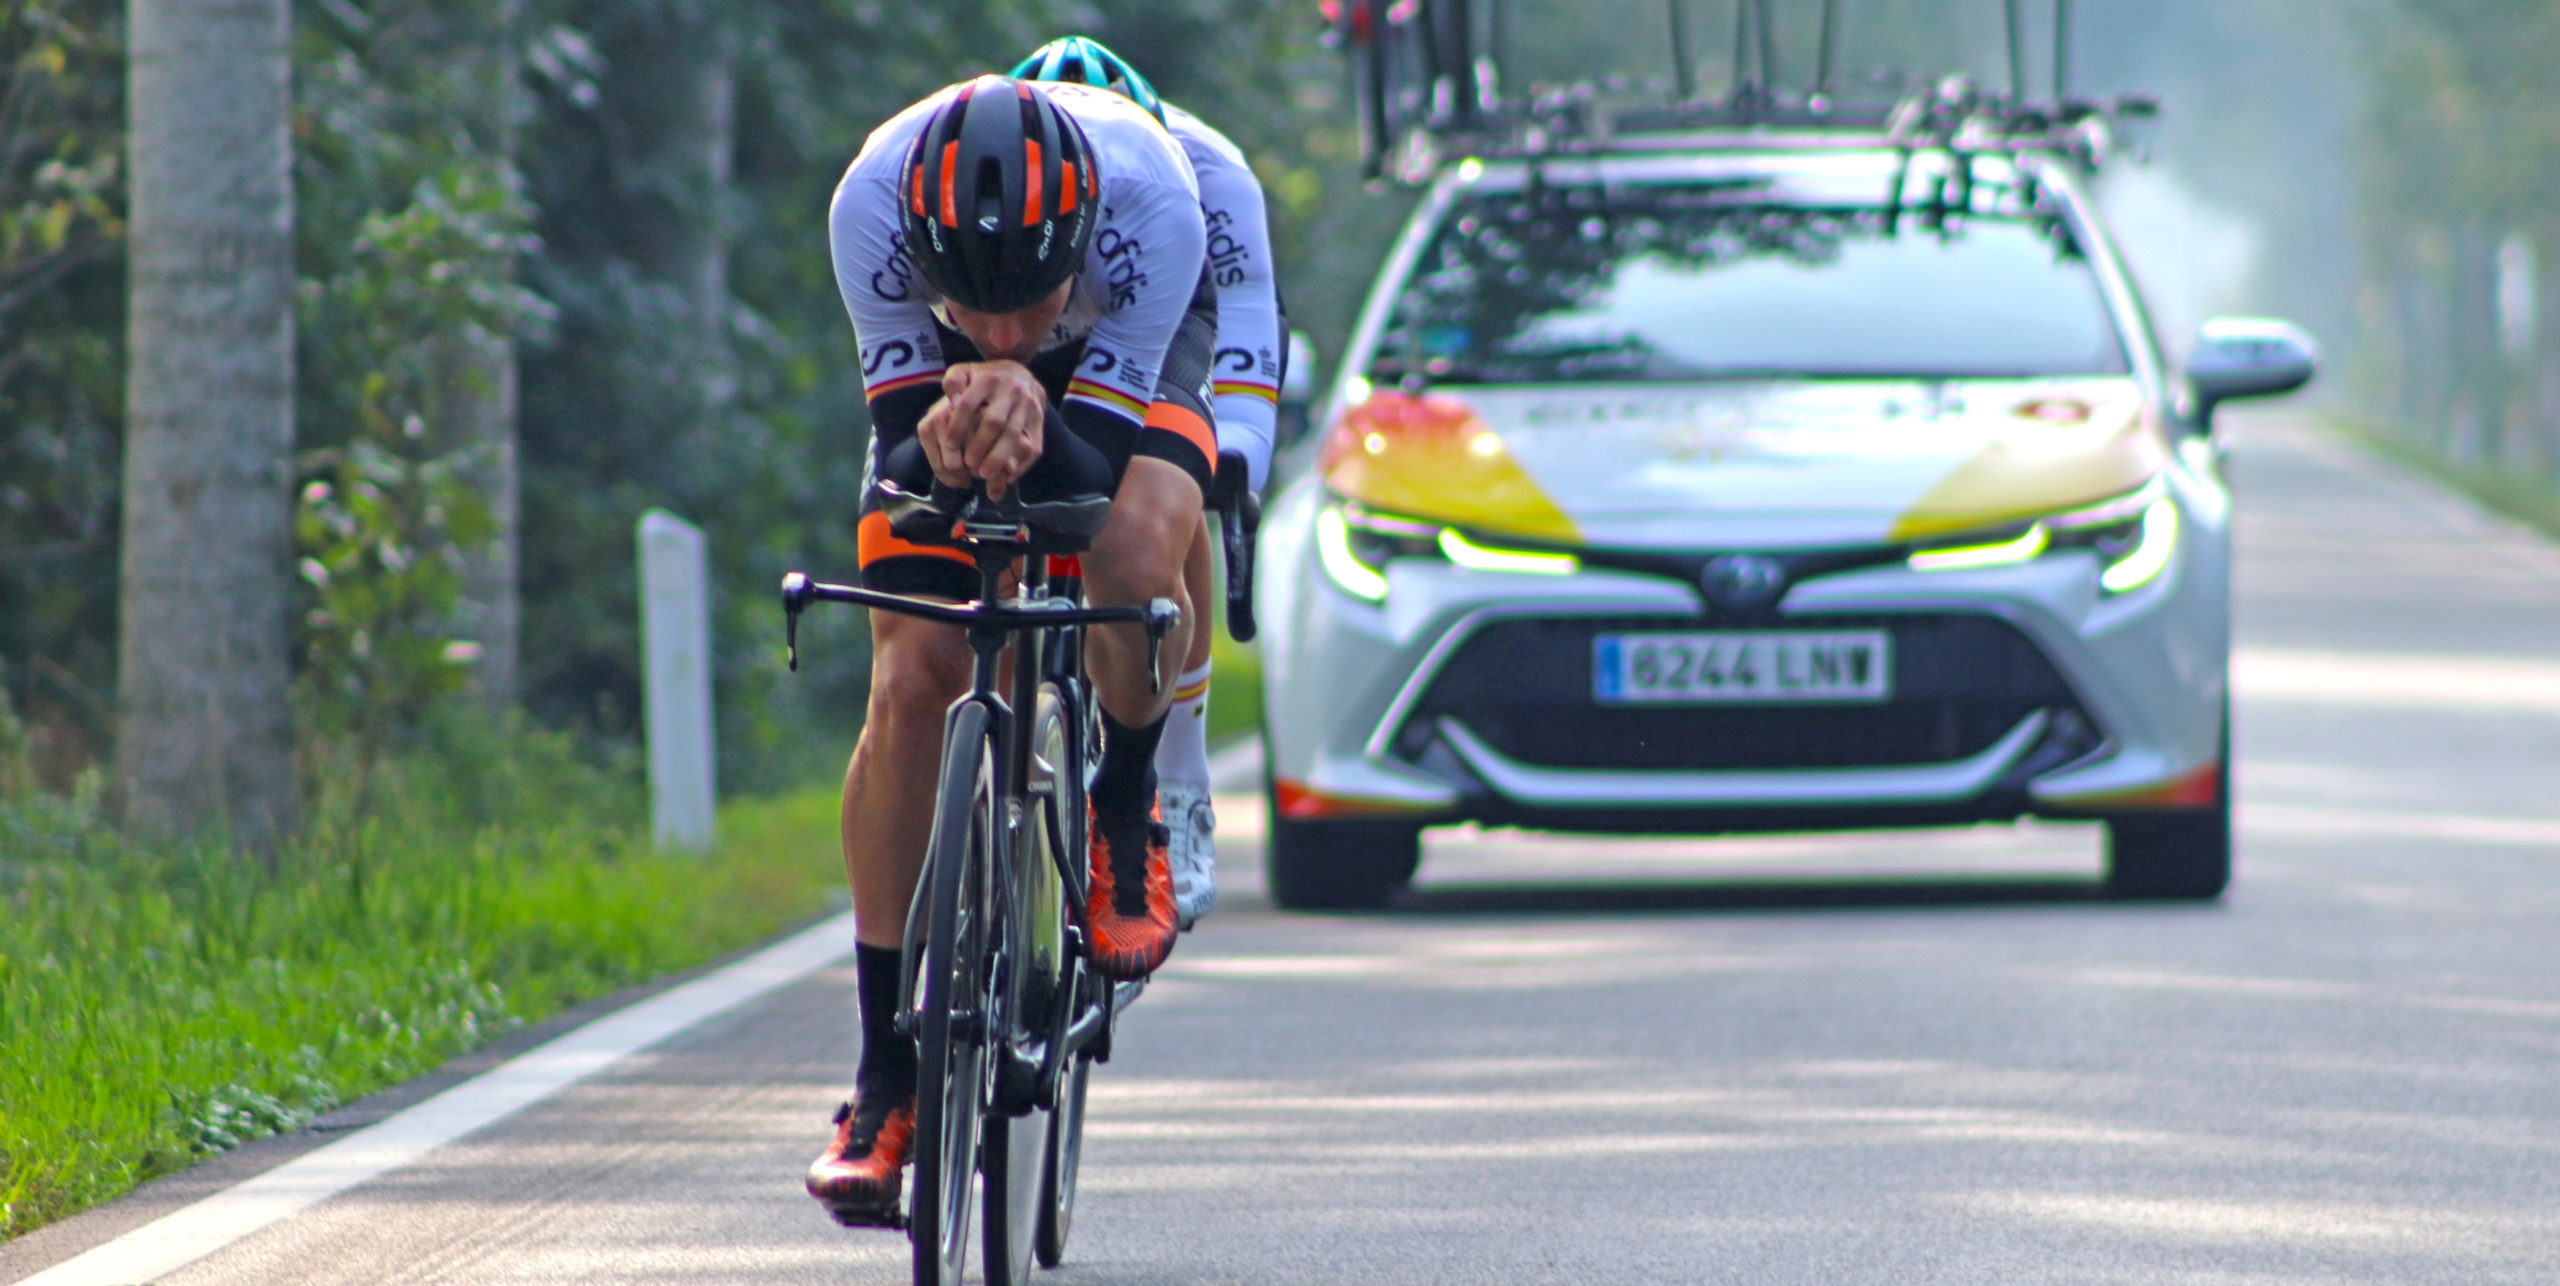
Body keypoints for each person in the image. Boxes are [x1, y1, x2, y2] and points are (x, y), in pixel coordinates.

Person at [804, 74, 1214, 1227]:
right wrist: (954, 421)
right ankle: (884, 1076)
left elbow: (1089, 463)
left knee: (1131, 553)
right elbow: (900, 448)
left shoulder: (1154, 211)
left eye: (1026, 304)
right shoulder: (870, 207)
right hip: (941, 391)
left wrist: (1037, 394)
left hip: (1135, 353)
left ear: (1076, 242)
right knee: (913, 673)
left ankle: (1121, 808)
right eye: (972, 311)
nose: (1001, 334)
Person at [1014, 37, 1286, 930]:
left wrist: (1238, 449)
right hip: (1032, 289)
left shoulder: (1209, 170)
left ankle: (1181, 773)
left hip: (1164, 313)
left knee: (1175, 489)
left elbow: (1246, 314)